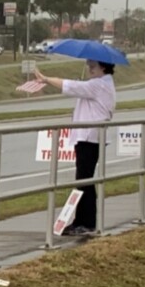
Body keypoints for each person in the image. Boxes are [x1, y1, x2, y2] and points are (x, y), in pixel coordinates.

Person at [34, 59, 116, 235]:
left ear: (103, 67)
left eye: (93, 66)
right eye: (89, 66)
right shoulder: (101, 84)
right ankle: (82, 221)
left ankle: (86, 223)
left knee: (84, 180)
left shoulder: (98, 85)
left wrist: (46, 79)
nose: (89, 69)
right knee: (84, 180)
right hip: (90, 137)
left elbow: (69, 86)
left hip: (89, 137)